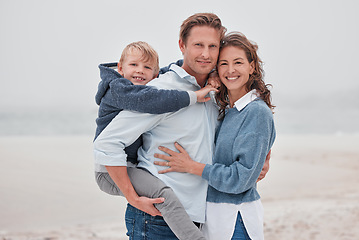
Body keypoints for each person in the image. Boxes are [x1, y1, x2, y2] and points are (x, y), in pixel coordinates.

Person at [94, 13, 227, 239]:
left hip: (200, 216)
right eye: (198, 45)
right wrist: (132, 196)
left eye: (212, 46)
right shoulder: (159, 91)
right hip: (156, 218)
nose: (206, 54)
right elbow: (107, 143)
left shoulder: (216, 91)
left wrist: (261, 156)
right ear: (182, 45)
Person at [154, 32, 276, 240]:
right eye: (223, 64)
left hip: (236, 219)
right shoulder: (228, 109)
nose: (230, 70)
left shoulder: (256, 112)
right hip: (215, 216)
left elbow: (240, 179)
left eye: (238, 62)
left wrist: (191, 166)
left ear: (252, 66)